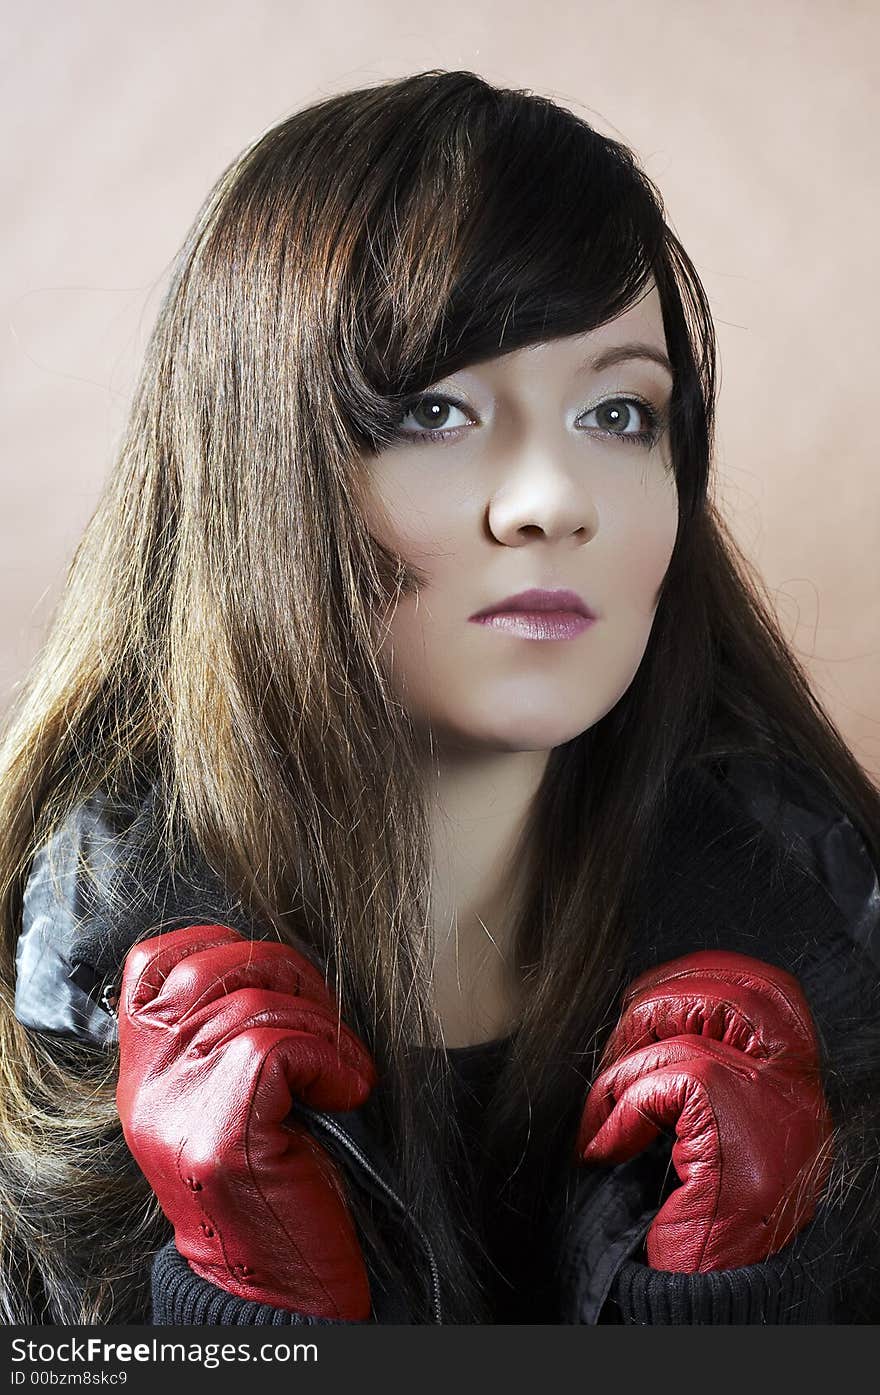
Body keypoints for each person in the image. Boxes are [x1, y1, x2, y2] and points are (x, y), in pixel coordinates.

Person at [1, 68, 878, 1327]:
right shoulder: (38, 1028)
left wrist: (748, 1304)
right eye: (435, 409)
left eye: (619, 412)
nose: (551, 499)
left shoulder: (835, 983)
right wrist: (241, 1319)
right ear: (257, 471)